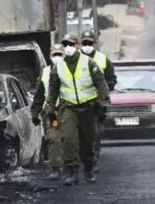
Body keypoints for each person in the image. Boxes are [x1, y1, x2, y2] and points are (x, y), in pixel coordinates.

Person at [45, 34, 110, 186]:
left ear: (77, 46)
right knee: (68, 139)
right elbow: (53, 88)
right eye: (65, 44)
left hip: (88, 107)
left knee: (88, 141)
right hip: (69, 107)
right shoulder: (58, 66)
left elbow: (101, 83)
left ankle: (88, 167)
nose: (68, 47)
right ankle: (72, 172)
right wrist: (50, 106)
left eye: (71, 44)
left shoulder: (89, 63)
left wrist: (102, 103)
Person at [79, 30, 117, 171]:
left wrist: (104, 91)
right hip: (77, 102)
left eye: (90, 42)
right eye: (85, 43)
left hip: (96, 102)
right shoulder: (72, 59)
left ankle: (93, 161)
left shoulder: (102, 59)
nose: (87, 45)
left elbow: (112, 78)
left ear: (94, 43)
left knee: (94, 132)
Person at [31, 44, 65, 180]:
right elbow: (40, 93)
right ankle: (55, 167)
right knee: (54, 138)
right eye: (54, 55)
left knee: (70, 139)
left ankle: (72, 166)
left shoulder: (71, 70)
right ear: (50, 56)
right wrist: (35, 112)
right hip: (52, 111)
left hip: (70, 110)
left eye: (60, 55)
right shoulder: (45, 72)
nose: (57, 58)